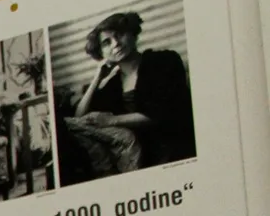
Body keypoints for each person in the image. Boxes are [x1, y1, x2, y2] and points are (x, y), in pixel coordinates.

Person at [61, 10, 195, 179]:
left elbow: (165, 112)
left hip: (176, 145)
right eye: (107, 42)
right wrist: (97, 78)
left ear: (132, 33)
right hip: (141, 154)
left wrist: (112, 120)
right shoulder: (113, 84)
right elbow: (79, 120)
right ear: (101, 53)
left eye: (120, 34)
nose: (116, 43)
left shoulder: (164, 60)